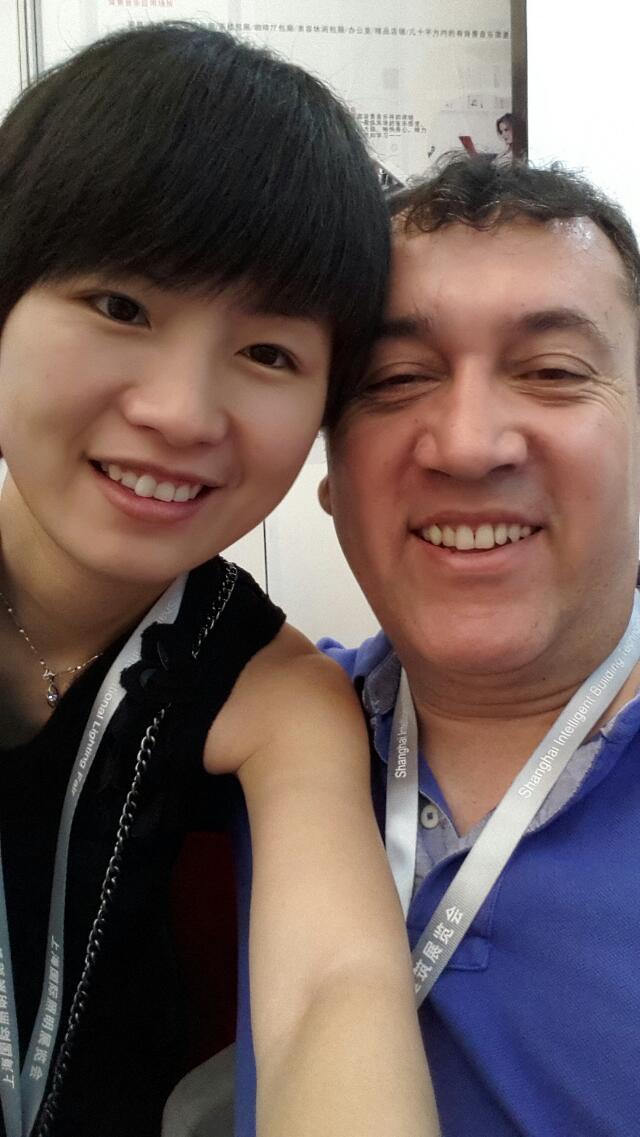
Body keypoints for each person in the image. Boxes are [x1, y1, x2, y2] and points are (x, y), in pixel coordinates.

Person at [0, 23, 438, 1137]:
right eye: (121, 306)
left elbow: (333, 991)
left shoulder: (276, 695)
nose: (182, 413)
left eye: (269, 354)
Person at [314, 153, 640, 1135]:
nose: (466, 443)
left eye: (553, 372)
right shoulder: (246, 733)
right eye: (395, 378)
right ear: (326, 471)